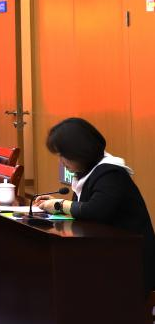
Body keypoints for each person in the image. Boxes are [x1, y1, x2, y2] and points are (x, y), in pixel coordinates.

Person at [33, 118, 154, 290]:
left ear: (79, 152)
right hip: (106, 254)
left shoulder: (110, 173)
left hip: (129, 262)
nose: (61, 162)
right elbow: (82, 210)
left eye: (62, 155)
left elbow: (95, 211)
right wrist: (55, 205)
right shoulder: (87, 171)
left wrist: (59, 205)